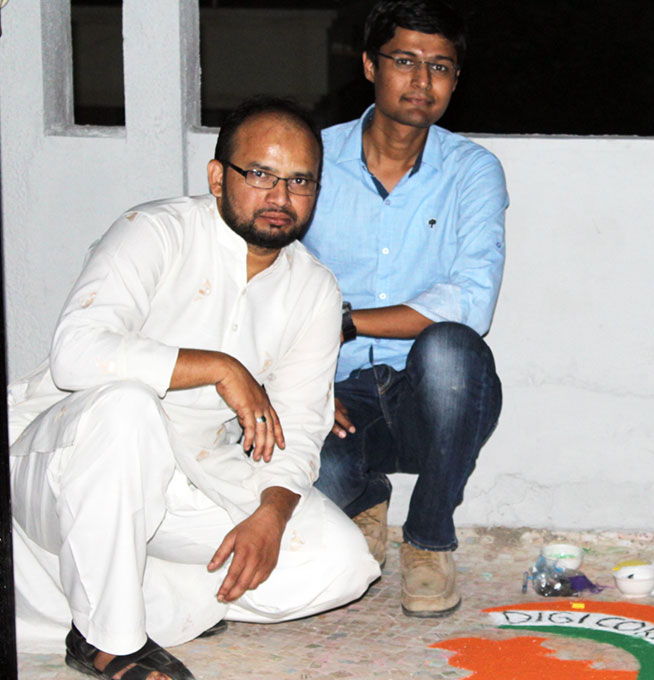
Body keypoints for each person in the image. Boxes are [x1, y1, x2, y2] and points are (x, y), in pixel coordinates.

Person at [7, 97, 380, 679]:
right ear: (217, 177)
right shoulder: (155, 231)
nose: (280, 197)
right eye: (260, 174)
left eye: (300, 181)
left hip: (196, 471)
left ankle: (122, 597)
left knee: (341, 564)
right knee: (127, 408)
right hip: (67, 462)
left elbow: (302, 426)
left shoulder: (313, 289)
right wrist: (219, 367)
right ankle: (109, 640)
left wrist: (271, 515)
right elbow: (74, 354)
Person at [302, 0, 506, 619]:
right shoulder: (313, 160)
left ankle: (429, 537)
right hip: (335, 390)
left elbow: (472, 300)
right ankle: (366, 496)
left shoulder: (472, 170)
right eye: (405, 61)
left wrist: (347, 321)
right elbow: (272, 283)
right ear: (370, 65)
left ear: (455, 80)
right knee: (318, 486)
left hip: (432, 395)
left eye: (439, 66)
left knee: (451, 347)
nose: (422, 80)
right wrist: (303, 384)